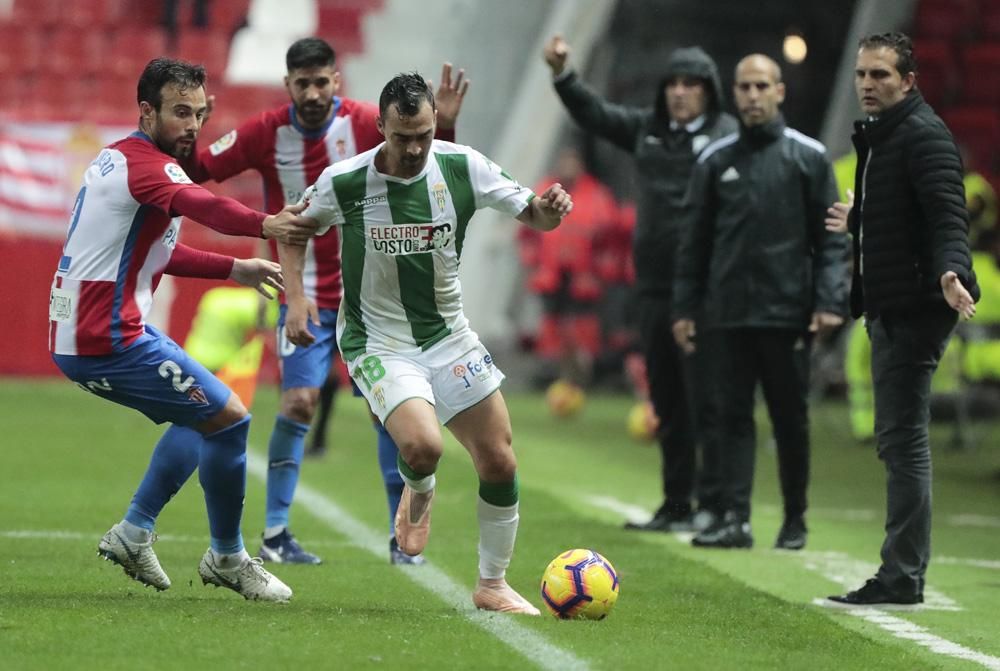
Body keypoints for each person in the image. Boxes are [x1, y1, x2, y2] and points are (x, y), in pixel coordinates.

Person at [281, 73, 573, 614]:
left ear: (435, 123)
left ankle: (492, 585)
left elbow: (533, 212)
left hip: (449, 335)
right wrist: (296, 301)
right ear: (381, 127)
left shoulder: (463, 166)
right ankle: (418, 492)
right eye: (402, 136)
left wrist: (550, 213)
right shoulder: (345, 181)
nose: (414, 148)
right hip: (377, 341)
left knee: (500, 461)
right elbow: (292, 229)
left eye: (423, 134)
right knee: (424, 446)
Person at [183, 37, 469, 565]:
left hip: (373, 301)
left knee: (390, 416)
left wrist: (445, 127)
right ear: (287, 85)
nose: (313, 93)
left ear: (336, 81)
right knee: (298, 402)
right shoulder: (263, 134)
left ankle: (398, 535)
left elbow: (426, 161)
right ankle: (274, 535)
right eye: (302, 83)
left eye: (322, 82)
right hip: (306, 295)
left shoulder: (365, 122)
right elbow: (196, 171)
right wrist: (194, 123)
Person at [48, 58, 318, 602]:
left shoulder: (117, 159)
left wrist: (233, 268)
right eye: (179, 112)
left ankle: (134, 531)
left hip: (89, 333)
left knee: (205, 417)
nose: (192, 125)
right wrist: (263, 223)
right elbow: (202, 202)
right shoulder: (149, 166)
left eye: (198, 113)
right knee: (230, 421)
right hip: (107, 339)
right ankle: (227, 556)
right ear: (146, 111)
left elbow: (151, 250)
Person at [543, 36, 738, 533]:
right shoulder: (649, 131)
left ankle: (716, 505)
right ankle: (677, 504)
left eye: (690, 84)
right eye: (673, 83)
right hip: (651, 287)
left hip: (705, 291)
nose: (679, 92)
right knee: (667, 398)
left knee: (707, 400)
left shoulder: (729, 137)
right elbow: (597, 114)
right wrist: (565, 76)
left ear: (709, 91)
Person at [825, 33, 978, 606]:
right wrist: (861, 220)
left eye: (881, 75)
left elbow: (946, 219)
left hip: (917, 305)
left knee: (905, 440)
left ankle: (902, 576)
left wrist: (950, 272)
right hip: (894, 300)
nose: (867, 84)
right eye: (862, 74)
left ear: (909, 81)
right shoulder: (886, 136)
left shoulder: (923, 136)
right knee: (898, 440)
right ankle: (902, 571)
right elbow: (907, 214)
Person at [672, 54, 849, 550]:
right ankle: (736, 518)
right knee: (730, 416)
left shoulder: (809, 158)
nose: (751, 95)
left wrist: (829, 300)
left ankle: (795, 519)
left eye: (760, 86)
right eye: (743, 86)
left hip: (787, 312)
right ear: (734, 92)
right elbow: (695, 244)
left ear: (779, 92)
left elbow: (831, 240)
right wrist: (685, 309)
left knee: (790, 417)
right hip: (725, 313)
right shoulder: (715, 161)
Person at [517, 144, 620, 386]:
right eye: (564, 162)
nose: (568, 168)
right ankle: (552, 373)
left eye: (572, 162)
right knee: (552, 322)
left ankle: (582, 375)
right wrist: (533, 265)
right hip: (551, 274)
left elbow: (609, 238)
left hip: (584, 276)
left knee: (582, 325)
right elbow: (526, 233)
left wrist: (602, 271)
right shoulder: (543, 190)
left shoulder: (597, 195)